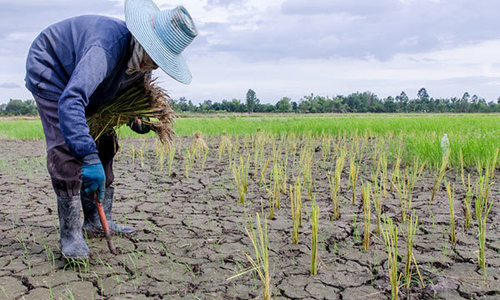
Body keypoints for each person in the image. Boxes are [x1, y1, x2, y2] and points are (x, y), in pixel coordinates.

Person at [24, 0, 197, 260]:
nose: (154, 65)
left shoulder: (143, 65)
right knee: (67, 150)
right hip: (52, 69)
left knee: (105, 144)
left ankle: (96, 221)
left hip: (85, 85)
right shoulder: (104, 49)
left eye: (161, 60)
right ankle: (70, 235)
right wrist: (87, 156)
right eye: (154, 55)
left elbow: (120, 99)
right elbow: (71, 100)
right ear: (142, 40)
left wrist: (137, 122)